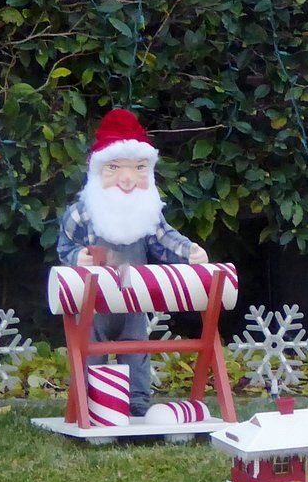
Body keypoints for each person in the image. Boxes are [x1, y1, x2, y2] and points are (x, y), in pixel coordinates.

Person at [56, 109, 208, 418]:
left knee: (136, 348)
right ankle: (91, 402)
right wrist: (77, 257)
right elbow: (65, 247)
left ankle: (137, 402)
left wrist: (188, 251)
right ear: (99, 170)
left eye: (138, 169)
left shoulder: (146, 212)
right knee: (89, 349)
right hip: (93, 301)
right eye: (115, 168)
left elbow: (164, 238)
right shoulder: (81, 214)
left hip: (133, 297)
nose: (127, 180)